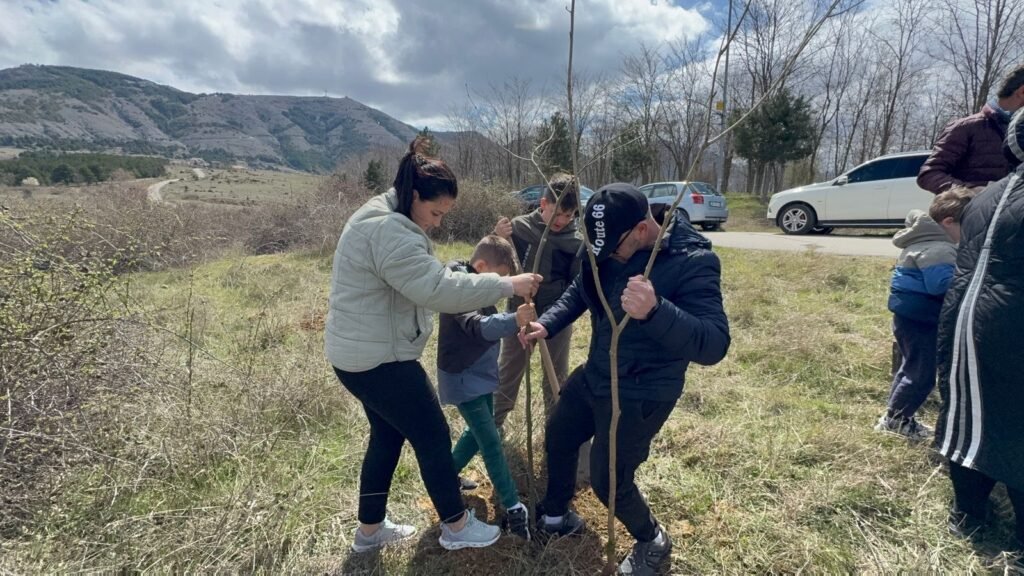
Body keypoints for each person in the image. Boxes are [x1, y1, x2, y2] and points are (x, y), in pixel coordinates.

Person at [324, 137, 542, 553]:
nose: (438, 223)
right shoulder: (388, 229)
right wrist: (506, 284)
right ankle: (456, 526)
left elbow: (422, 278)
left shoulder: (383, 213)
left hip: (359, 352)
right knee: (433, 435)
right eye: (435, 212)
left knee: (386, 438)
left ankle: (369, 532)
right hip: (378, 359)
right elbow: (437, 288)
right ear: (414, 195)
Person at [522, 184, 731, 575]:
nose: (606, 258)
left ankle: (652, 539)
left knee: (609, 480)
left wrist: (656, 311)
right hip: (598, 373)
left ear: (640, 229)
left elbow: (714, 344)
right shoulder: (604, 247)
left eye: (614, 248)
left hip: (644, 390)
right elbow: (581, 292)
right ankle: (555, 514)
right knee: (561, 432)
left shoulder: (691, 261)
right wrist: (545, 325)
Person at [934, 109, 1024, 550]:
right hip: (1011, 322)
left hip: (964, 324)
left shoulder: (988, 195)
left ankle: (968, 516)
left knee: (969, 414)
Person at [436, 235, 538, 541]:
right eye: (499, 280)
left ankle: (444, 476)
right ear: (481, 267)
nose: (500, 287)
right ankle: (513, 507)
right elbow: (477, 326)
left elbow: (492, 317)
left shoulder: (477, 283)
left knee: (476, 434)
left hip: (480, 375)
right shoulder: (456, 291)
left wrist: (517, 326)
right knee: (491, 441)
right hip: (463, 378)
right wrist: (513, 319)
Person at [875, 187, 973, 440]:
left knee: (910, 367)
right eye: (968, 226)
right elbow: (940, 284)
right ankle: (897, 420)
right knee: (922, 375)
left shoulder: (923, 240)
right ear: (949, 222)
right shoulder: (938, 247)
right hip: (923, 321)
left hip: (909, 318)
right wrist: (969, 277)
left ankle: (894, 415)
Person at [492, 174, 583, 426]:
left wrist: (556, 317)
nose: (562, 221)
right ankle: (493, 425)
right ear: (543, 203)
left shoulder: (575, 243)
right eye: (557, 213)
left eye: (569, 215)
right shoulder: (518, 229)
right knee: (508, 372)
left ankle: (555, 429)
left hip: (555, 319)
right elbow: (494, 266)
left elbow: (576, 287)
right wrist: (498, 237)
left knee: (556, 375)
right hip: (519, 314)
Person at [917, 64, 1024, 194]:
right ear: (1022, 92)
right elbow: (929, 174)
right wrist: (973, 194)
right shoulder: (966, 127)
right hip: (967, 213)